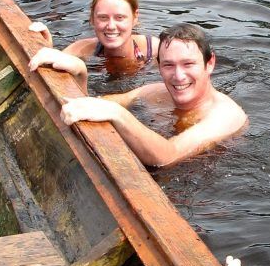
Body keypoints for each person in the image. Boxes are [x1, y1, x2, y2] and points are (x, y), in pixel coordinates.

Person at [49, 22, 248, 168]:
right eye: (168, 65)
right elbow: (95, 105)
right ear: (159, 66)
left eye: (188, 64)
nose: (178, 76)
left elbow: (168, 156)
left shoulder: (224, 115)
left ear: (210, 63)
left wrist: (119, 114)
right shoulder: (155, 93)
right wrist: (79, 72)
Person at [29, 0, 158, 87]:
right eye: (103, 18)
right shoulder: (81, 49)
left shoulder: (155, 50)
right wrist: (46, 45)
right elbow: (53, 61)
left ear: (135, 18)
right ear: (92, 19)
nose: (111, 26)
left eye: (120, 17)